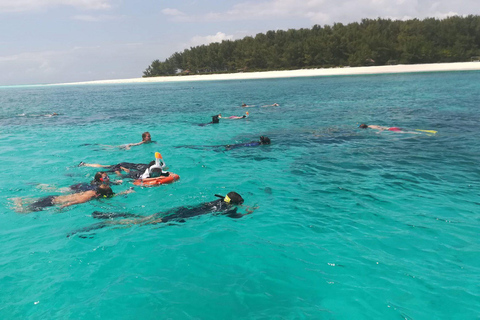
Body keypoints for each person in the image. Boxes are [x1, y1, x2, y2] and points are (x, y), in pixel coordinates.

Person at [68, 192, 256, 237]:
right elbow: (237, 216)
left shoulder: (216, 201)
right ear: (236, 203)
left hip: (178, 210)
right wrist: (249, 212)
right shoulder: (227, 209)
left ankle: (105, 215)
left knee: (143, 217)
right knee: (140, 223)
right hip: (179, 217)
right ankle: (105, 223)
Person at [14, 185, 134, 213]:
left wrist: (126, 191)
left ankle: (21, 200)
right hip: (52, 202)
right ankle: (18, 204)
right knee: (22, 211)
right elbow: (77, 202)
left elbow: (109, 195)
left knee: (31, 202)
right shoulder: (90, 196)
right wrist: (63, 207)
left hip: (53, 197)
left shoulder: (91, 191)